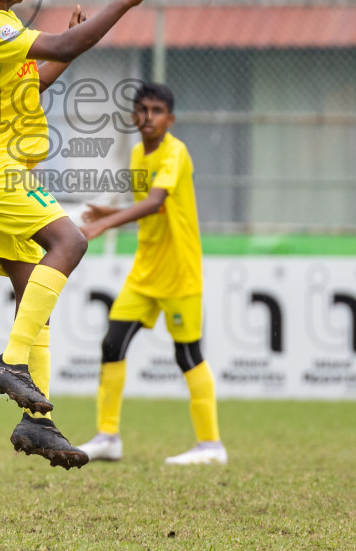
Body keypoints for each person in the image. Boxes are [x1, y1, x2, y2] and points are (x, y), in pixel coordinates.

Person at [0, 0, 156, 468]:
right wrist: (124, 3)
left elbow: (34, 78)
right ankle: (11, 363)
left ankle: (38, 423)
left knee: (31, 285)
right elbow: (60, 46)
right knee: (70, 241)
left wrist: (72, 45)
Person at [74, 82, 224, 466]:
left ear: (170, 119)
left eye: (157, 111)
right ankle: (108, 437)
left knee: (187, 354)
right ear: (133, 116)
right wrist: (108, 214)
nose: (149, 117)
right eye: (143, 109)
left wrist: (105, 226)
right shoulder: (139, 154)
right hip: (145, 270)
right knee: (112, 344)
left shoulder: (176, 152)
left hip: (179, 270)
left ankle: (211, 446)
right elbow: (149, 207)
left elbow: (158, 200)